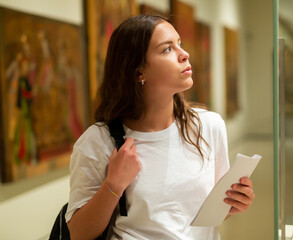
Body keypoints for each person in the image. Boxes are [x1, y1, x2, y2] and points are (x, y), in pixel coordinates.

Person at [65, 15, 255, 240]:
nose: (184, 54)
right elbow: (78, 234)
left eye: (180, 44)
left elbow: (207, 214)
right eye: (167, 49)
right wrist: (113, 185)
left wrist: (233, 204)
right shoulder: (98, 141)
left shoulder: (209, 126)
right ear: (138, 72)